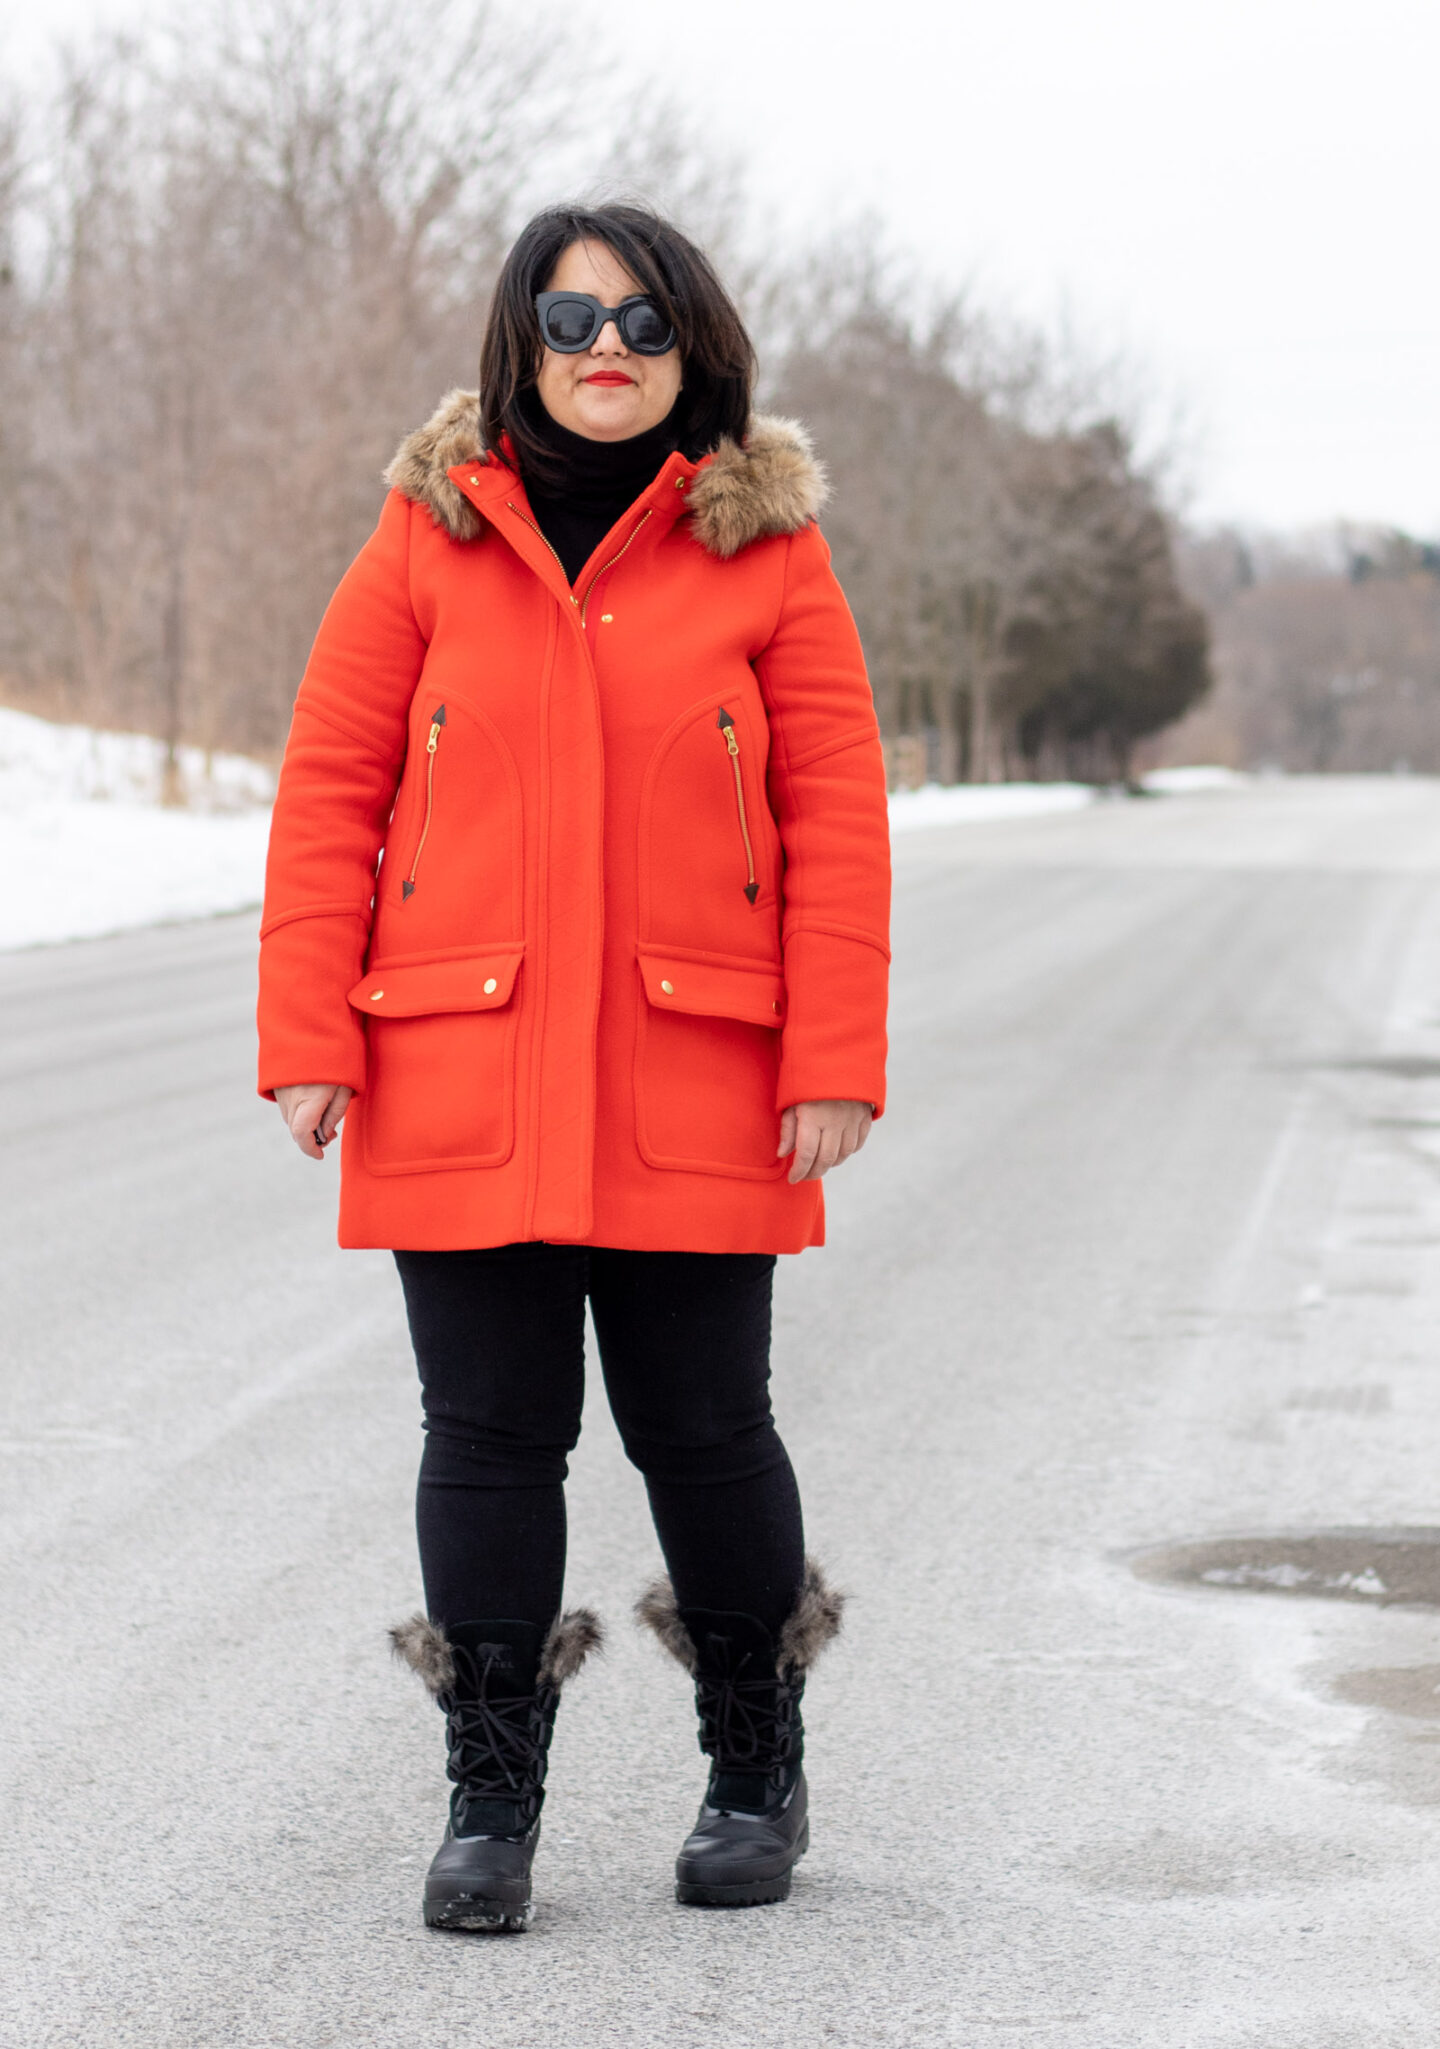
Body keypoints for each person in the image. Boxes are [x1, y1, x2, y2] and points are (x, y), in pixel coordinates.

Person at [257, 202, 891, 1931]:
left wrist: (832, 1051)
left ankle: (755, 1759)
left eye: (639, 322)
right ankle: (490, 1797)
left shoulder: (764, 548)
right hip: (462, 1051)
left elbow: (837, 817)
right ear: (519, 339)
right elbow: (332, 790)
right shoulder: (427, 533)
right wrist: (309, 1028)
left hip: (698, 1061)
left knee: (703, 1431)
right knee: (485, 1433)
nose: (603, 350)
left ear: (695, 345)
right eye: (569, 317)